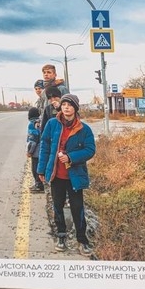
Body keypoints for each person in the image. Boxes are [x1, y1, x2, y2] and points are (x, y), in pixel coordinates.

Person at [37, 93, 96, 256]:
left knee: (78, 208)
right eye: (64, 104)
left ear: (75, 108)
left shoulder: (84, 129)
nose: (66, 107)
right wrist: (41, 170)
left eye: (69, 105)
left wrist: (71, 157)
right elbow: (45, 147)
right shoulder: (52, 124)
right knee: (58, 206)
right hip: (57, 175)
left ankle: (82, 240)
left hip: (74, 176)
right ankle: (61, 236)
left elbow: (90, 150)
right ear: (60, 107)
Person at [26, 107, 44, 192]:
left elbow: (32, 140)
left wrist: (29, 152)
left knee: (35, 168)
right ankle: (41, 184)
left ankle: (39, 185)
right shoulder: (41, 121)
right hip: (43, 149)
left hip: (36, 151)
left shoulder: (32, 124)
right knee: (41, 167)